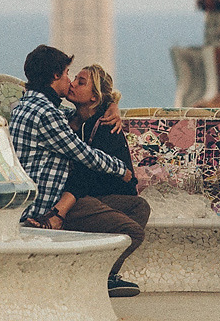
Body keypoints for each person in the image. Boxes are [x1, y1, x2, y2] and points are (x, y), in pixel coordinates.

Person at [37, 64, 151, 298]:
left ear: (94, 96)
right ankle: (96, 279)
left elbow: (89, 173)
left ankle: (106, 276)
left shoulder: (104, 124)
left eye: (80, 82)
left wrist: (112, 105)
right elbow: (84, 173)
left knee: (140, 207)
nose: (72, 83)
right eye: (74, 78)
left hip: (95, 194)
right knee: (133, 233)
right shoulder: (69, 120)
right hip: (75, 197)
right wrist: (60, 212)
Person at [9, 45, 132, 228]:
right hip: (40, 209)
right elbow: (84, 154)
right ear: (56, 75)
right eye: (68, 74)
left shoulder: (25, 106)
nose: (70, 82)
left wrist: (111, 104)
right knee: (133, 224)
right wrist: (121, 170)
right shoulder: (47, 114)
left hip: (24, 202)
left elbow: (71, 115)